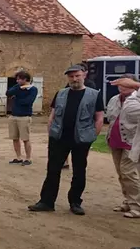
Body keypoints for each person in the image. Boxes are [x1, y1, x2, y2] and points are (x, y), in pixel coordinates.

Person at [29, 65, 104, 215]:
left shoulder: (94, 95)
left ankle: (75, 202)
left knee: (79, 171)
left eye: (77, 75)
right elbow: (53, 114)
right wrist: (50, 132)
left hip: (81, 139)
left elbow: (99, 117)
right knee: (53, 170)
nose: (74, 79)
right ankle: (46, 202)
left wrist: (92, 136)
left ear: (84, 75)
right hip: (59, 138)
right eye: (71, 76)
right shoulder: (61, 93)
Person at [105, 74, 140, 219]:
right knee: (121, 173)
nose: (122, 87)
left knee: (129, 173)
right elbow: (111, 119)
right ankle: (128, 201)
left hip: (132, 142)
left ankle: (137, 206)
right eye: (120, 84)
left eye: (126, 84)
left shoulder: (137, 100)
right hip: (115, 140)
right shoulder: (114, 99)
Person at [6, 71, 38, 166]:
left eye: (19, 79)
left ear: (25, 79)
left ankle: (28, 158)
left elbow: (28, 101)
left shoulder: (33, 89)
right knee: (14, 138)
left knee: (25, 139)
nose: (17, 80)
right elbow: (8, 93)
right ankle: (18, 157)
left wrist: (15, 98)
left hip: (24, 116)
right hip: (13, 115)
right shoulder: (17, 88)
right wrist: (17, 87)